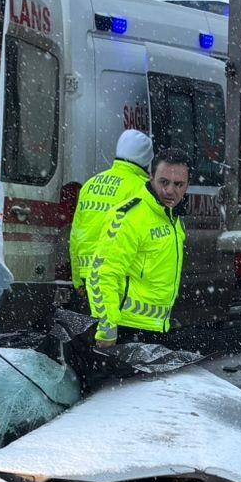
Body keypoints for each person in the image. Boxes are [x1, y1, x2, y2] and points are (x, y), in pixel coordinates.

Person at [88, 146, 190, 344]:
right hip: (127, 329)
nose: (170, 191)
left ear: (187, 185)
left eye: (178, 184)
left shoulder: (172, 217)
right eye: (164, 182)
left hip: (156, 327)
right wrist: (107, 329)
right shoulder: (129, 216)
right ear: (151, 177)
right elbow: (102, 274)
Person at [68, 129, 153, 300]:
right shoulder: (144, 189)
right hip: (123, 278)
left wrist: (77, 280)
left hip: (88, 276)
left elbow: (75, 236)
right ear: (147, 160)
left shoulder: (90, 184)